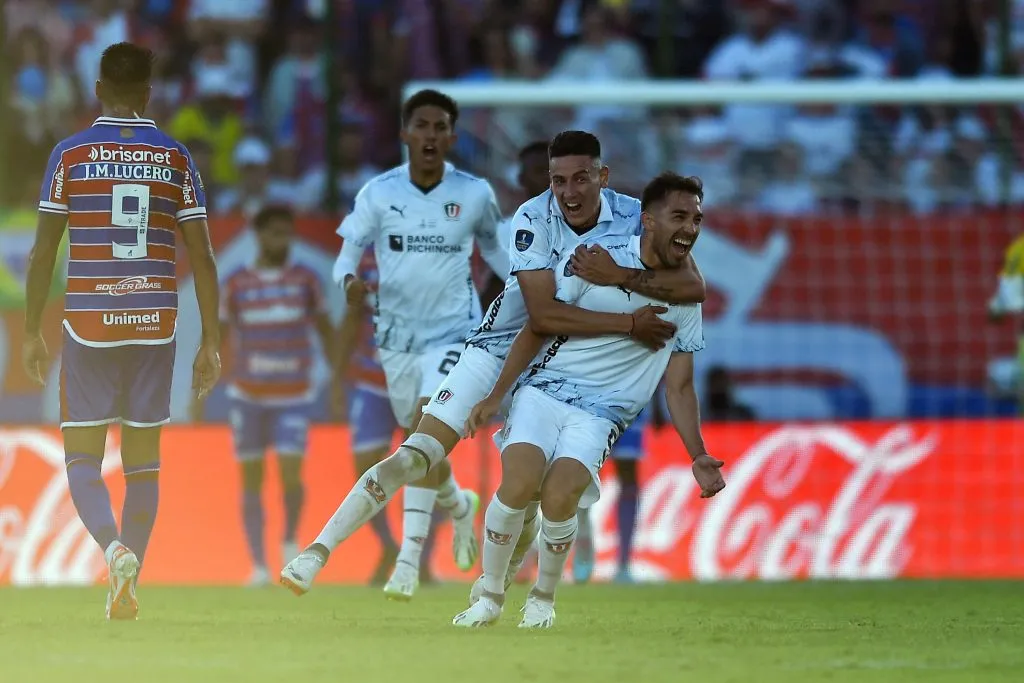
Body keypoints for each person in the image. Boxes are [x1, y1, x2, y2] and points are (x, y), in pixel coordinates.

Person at [280, 130, 707, 600]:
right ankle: (316, 553)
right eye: (557, 180)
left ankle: (503, 585)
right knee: (417, 450)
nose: (568, 192)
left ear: (602, 177)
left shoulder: (633, 215)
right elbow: (541, 316)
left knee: (533, 492)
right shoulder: (531, 218)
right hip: (498, 349)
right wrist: (629, 322)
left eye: (581, 179)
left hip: (568, 365)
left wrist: (622, 278)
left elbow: (692, 287)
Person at [453, 172, 726, 628]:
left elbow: (679, 385)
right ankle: (490, 596)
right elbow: (539, 323)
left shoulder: (684, 300)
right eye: (679, 216)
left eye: (697, 219)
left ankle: (542, 600)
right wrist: (495, 394)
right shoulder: (593, 261)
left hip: (603, 412)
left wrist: (697, 454)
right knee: (520, 484)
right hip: (545, 389)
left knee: (561, 497)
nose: (690, 228)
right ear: (648, 221)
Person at [22, 42, 220, 620]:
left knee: (82, 457)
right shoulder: (176, 156)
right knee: (143, 462)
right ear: (148, 95)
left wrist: (32, 329)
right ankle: (130, 569)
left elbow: (42, 251)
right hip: (156, 321)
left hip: (89, 321)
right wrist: (211, 339)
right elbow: (202, 258)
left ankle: (112, 550)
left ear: (99, 89)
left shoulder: (70, 153)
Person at [287, 89, 510, 601]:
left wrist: (538, 293)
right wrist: (348, 284)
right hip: (392, 350)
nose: (431, 136)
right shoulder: (378, 194)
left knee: (418, 439)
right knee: (417, 452)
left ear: (452, 136)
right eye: (422, 126)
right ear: (405, 134)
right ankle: (457, 506)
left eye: (440, 127)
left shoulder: (475, 193)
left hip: (455, 335)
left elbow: (500, 257)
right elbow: (345, 261)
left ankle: (405, 563)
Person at [192, 205, 334, 586]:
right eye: (274, 234)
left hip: (293, 395)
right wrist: (200, 394)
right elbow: (217, 338)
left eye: (287, 233)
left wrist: (336, 383)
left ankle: (289, 540)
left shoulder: (307, 280)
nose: (281, 241)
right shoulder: (237, 283)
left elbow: (325, 330)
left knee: (290, 473)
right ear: (259, 236)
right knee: (251, 479)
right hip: (248, 395)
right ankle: (257, 564)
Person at [333, 247, 402, 586]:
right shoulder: (367, 262)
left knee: (427, 468)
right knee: (363, 468)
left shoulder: (437, 248)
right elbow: (350, 318)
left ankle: (420, 554)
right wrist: (335, 378)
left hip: (417, 380)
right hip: (372, 381)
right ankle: (389, 545)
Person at [572, 404, 652, 585]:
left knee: (628, 478)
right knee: (585, 474)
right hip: (595, 399)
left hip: (631, 402)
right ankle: (583, 547)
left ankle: (624, 564)